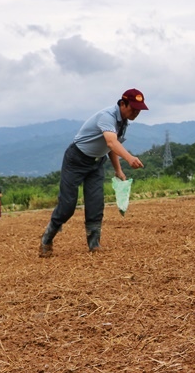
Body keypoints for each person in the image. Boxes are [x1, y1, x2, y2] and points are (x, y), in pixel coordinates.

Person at [39, 88, 148, 257]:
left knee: (96, 203)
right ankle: (47, 238)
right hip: (76, 160)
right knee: (67, 206)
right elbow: (111, 143)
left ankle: (94, 244)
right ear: (122, 104)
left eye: (139, 110)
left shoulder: (123, 122)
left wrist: (118, 170)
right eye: (133, 108)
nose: (136, 112)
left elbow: (111, 147)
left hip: (96, 163)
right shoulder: (107, 116)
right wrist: (129, 158)